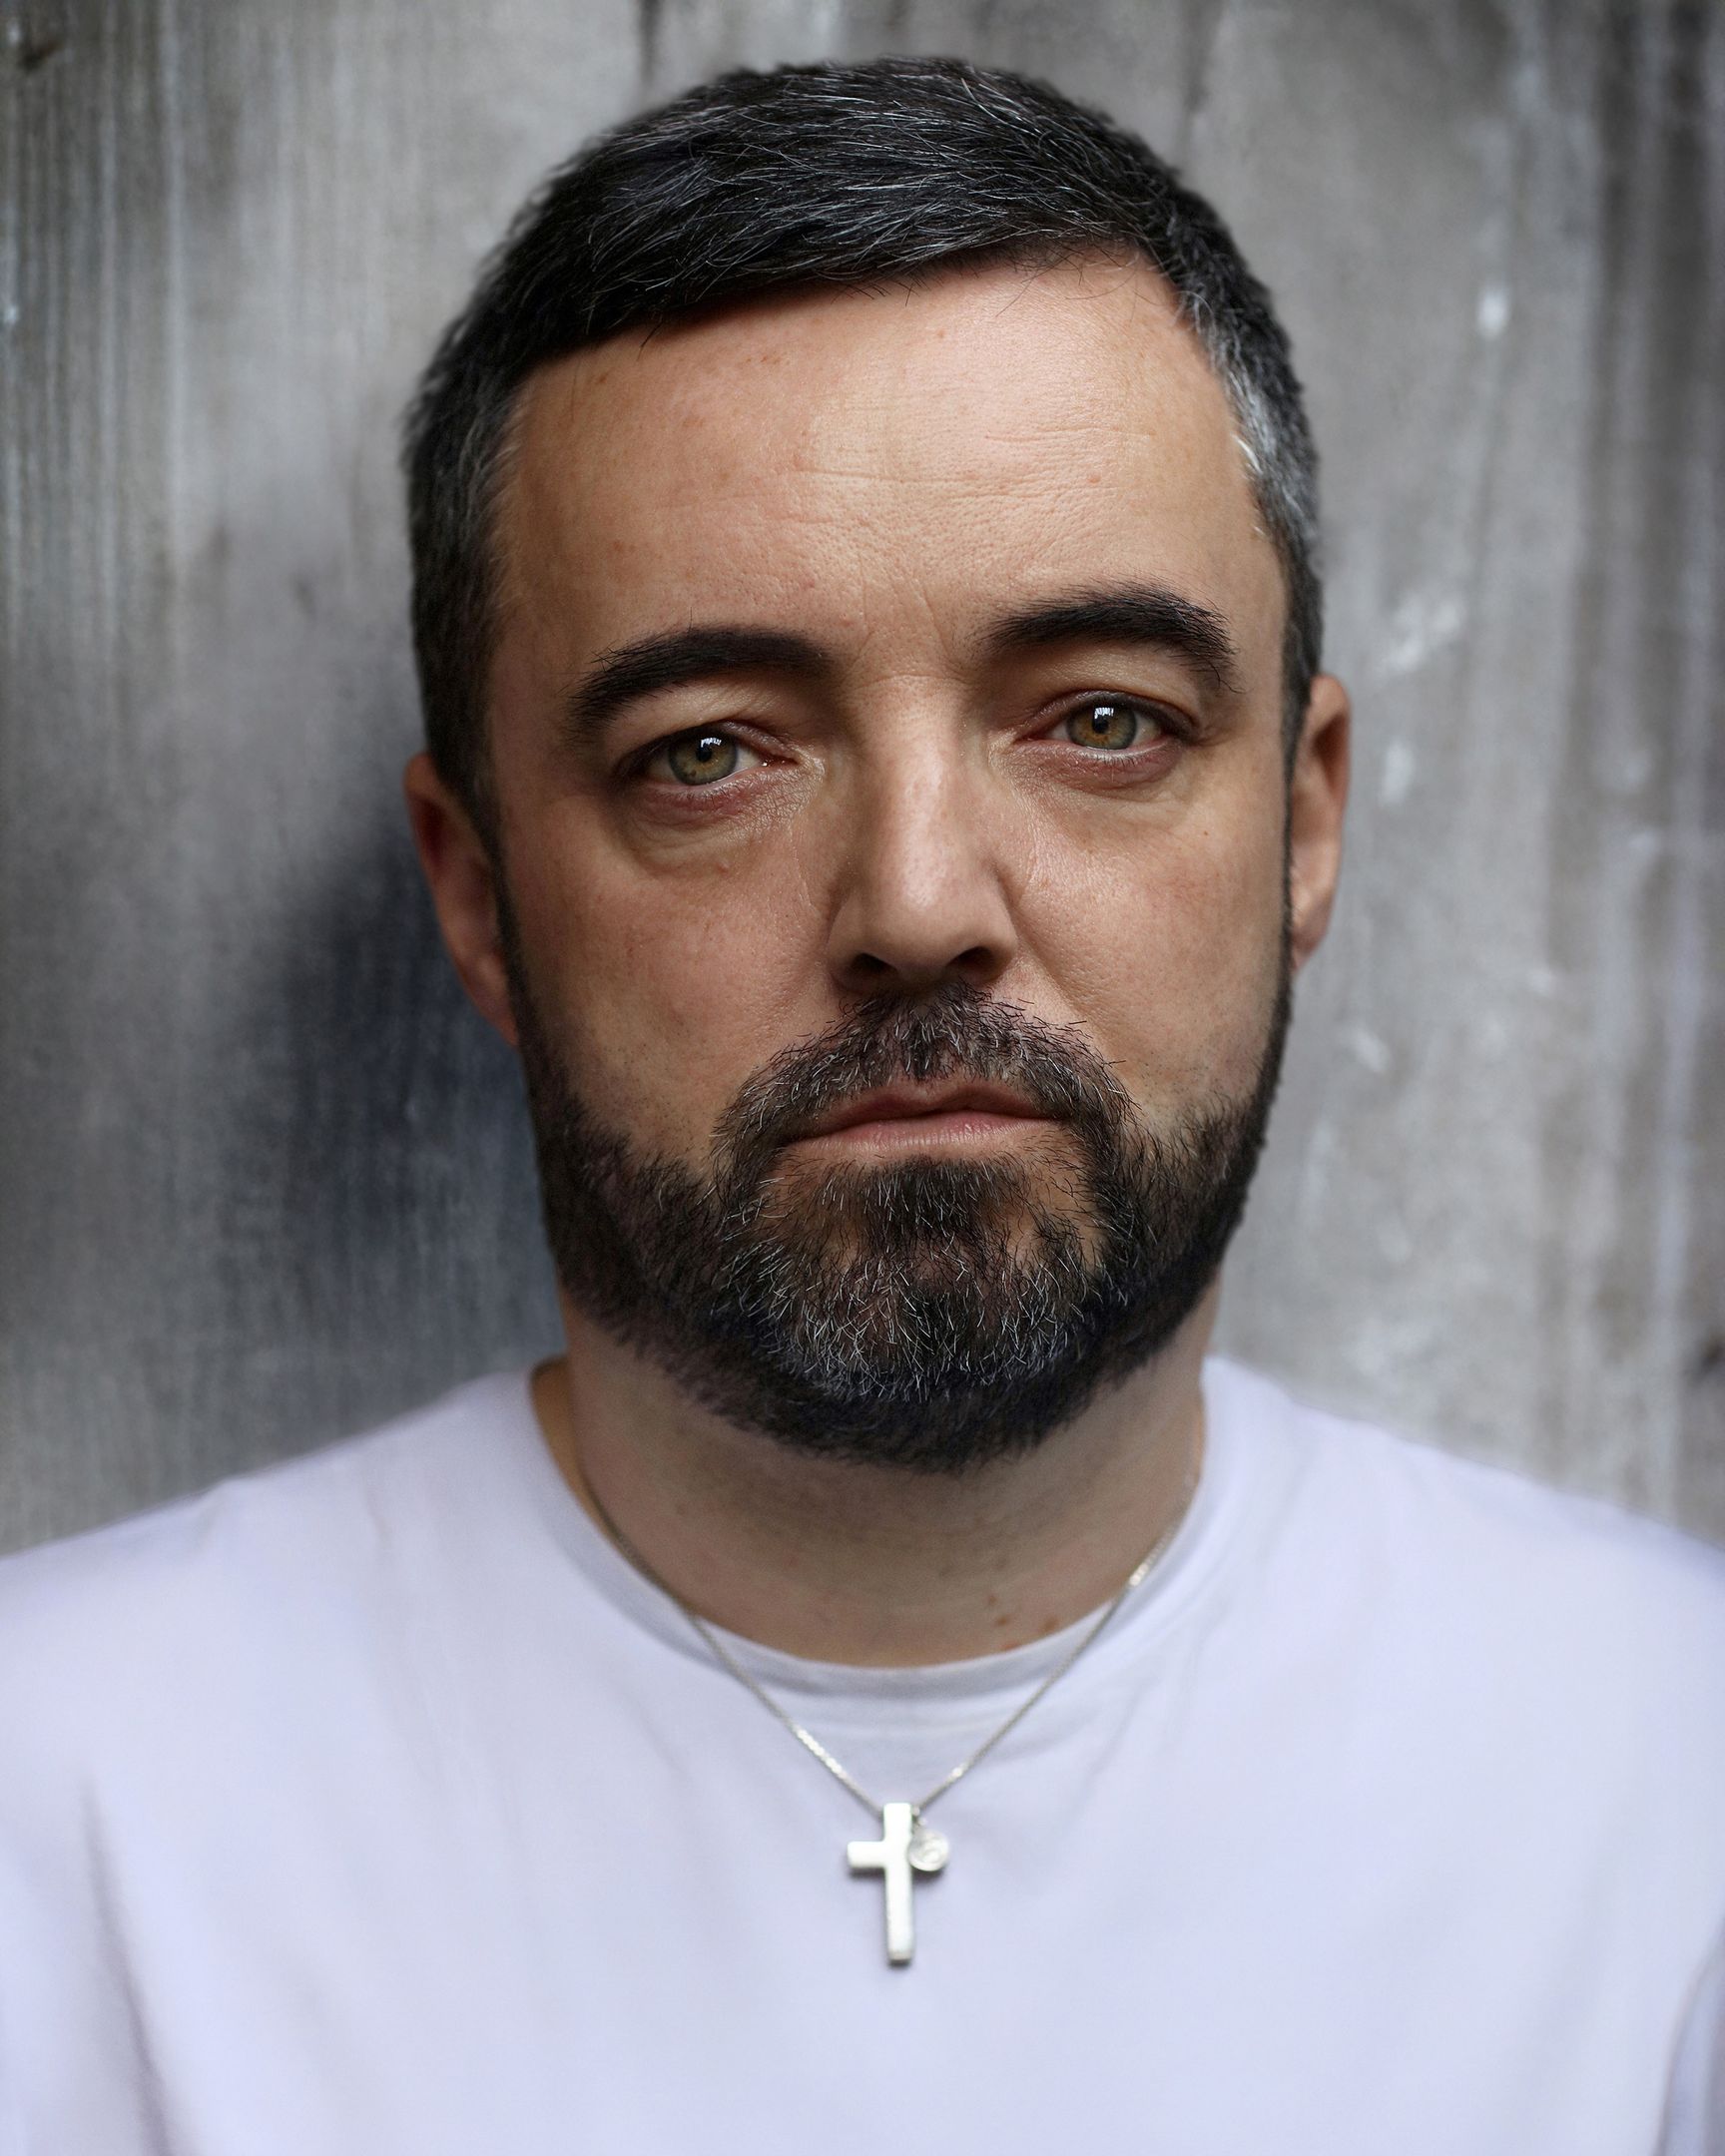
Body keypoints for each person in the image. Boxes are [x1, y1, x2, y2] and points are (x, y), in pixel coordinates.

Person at [1, 54, 1721, 2156]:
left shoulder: (1668, 1790)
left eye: (1102, 721)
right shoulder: (62, 1824)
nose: (917, 906)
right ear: (476, 892)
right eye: (712, 751)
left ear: (1302, 827)